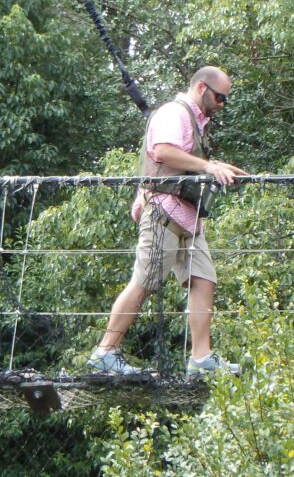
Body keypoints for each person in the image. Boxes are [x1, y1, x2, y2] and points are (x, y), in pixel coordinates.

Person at [87, 66, 248, 377]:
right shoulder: (173, 113)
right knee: (145, 281)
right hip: (164, 212)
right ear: (202, 88)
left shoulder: (197, 123)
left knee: (204, 279)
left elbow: (190, 165)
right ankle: (105, 352)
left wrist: (218, 169)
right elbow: (163, 151)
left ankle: (201, 359)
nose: (222, 104)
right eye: (220, 97)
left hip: (189, 220)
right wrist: (209, 166)